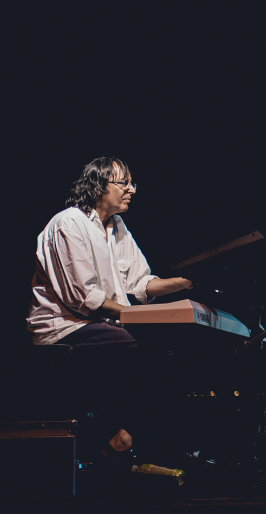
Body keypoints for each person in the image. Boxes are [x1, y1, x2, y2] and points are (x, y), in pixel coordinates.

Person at [27, 157, 193, 467]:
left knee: (173, 348)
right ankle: (117, 437)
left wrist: (184, 283)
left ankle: (125, 434)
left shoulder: (117, 226)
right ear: (98, 186)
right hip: (64, 325)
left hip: (103, 323)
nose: (131, 189)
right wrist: (137, 318)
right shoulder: (69, 223)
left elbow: (141, 282)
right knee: (140, 349)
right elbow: (85, 297)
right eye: (124, 183)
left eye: (132, 183)